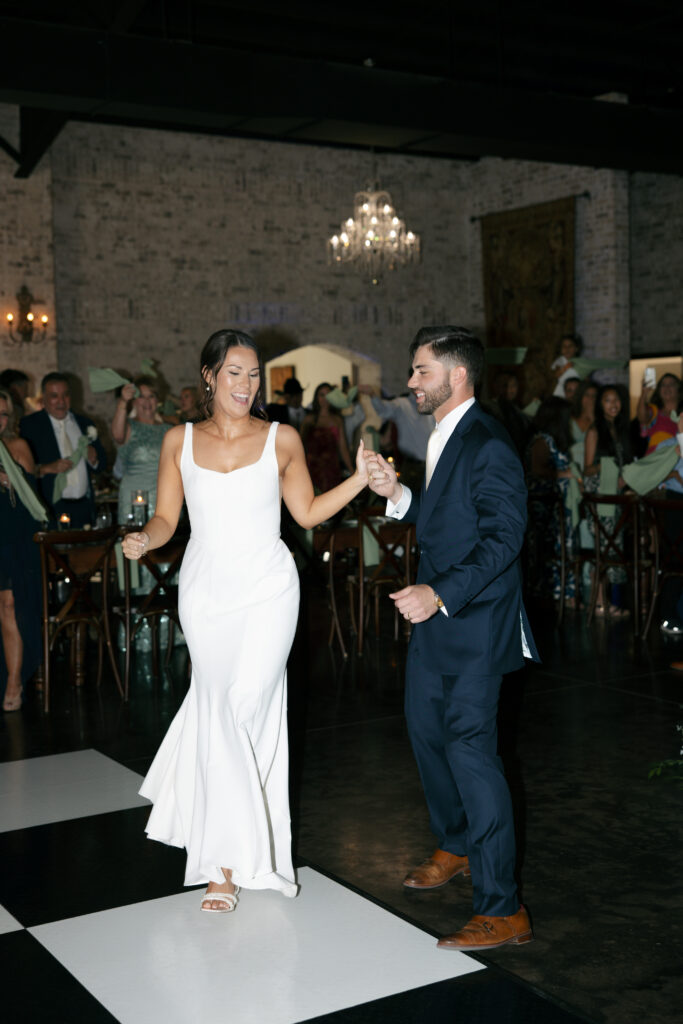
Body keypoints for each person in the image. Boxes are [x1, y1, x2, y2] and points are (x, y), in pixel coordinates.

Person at [122, 329, 370, 913]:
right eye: (235, 372)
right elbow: (166, 518)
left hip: (269, 589)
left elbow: (306, 512)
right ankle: (224, 868)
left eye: (254, 374)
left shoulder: (282, 438)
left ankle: (230, 861)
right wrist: (145, 538)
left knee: (241, 709)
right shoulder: (178, 441)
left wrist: (359, 479)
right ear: (209, 376)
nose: (247, 384)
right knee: (220, 713)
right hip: (206, 591)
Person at [366, 325, 539, 951]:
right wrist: (398, 494)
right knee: (426, 734)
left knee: (471, 753)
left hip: (475, 622)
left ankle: (503, 909)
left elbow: (503, 538)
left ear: (457, 375)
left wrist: (438, 593)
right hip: (437, 621)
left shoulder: (488, 441)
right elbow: (447, 517)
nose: (411, 381)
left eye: (422, 371)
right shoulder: (445, 433)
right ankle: (457, 844)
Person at [0, 389, 43, 711]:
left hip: (12, 536)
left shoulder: (17, 447)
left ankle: (14, 680)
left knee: (9, 604)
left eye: (3, 414)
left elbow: (32, 498)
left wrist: (10, 479)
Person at [20, 372, 106, 527]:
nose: (61, 401)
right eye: (54, 396)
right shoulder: (30, 426)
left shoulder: (85, 423)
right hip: (49, 508)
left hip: (83, 507)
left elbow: (102, 465)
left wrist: (94, 459)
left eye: (65, 395)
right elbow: (20, 471)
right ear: (43, 398)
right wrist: (45, 468)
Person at [583, 385, 633, 618]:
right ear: (600, 405)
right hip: (600, 496)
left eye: (616, 400)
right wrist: (606, 466)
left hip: (617, 495)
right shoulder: (595, 431)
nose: (613, 404)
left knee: (614, 548)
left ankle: (610, 602)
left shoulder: (620, 430)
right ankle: (600, 602)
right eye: (607, 400)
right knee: (603, 549)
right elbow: (587, 469)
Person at [526, 397, 579, 606]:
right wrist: (564, 474)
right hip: (545, 505)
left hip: (558, 505)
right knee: (547, 549)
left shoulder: (553, 440)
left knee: (562, 547)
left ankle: (565, 592)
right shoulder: (542, 440)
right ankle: (552, 593)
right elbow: (537, 469)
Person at [112, 376, 172, 525]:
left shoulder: (169, 430)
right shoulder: (128, 427)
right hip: (133, 498)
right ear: (134, 401)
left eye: (151, 396)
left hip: (164, 500)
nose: (147, 402)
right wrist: (123, 401)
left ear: (157, 400)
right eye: (141, 397)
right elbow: (117, 436)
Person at [358, 384, 434, 491]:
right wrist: (372, 394)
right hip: (412, 466)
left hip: (433, 465)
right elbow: (383, 409)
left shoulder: (432, 404)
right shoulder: (402, 404)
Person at [301, 382, 353, 491]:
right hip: (311, 467)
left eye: (328, 395)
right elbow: (300, 446)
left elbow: (343, 448)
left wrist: (352, 470)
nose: (325, 399)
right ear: (316, 397)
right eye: (321, 395)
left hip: (332, 467)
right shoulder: (309, 419)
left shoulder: (337, 420)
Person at [636, 373, 682, 456]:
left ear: (679, 390)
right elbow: (642, 418)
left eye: (671, 384)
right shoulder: (654, 411)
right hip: (655, 460)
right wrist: (644, 393)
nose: (667, 388)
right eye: (663, 385)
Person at [550, 333, 582, 398]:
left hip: (576, 391)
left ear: (576, 348)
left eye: (570, 346)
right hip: (562, 391)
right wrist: (566, 367)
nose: (567, 349)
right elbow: (556, 374)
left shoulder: (580, 361)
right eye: (564, 346)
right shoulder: (560, 360)